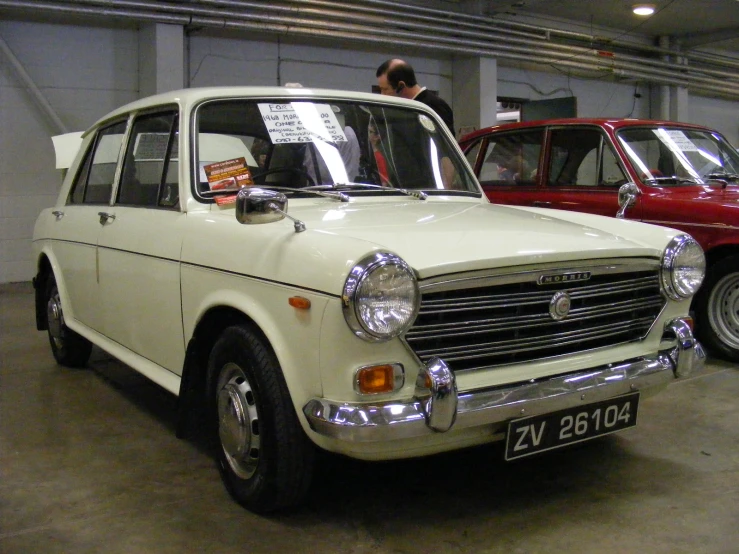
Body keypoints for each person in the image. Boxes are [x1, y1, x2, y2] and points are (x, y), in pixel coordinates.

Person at [375, 59, 454, 134]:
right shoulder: (405, 108)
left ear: (401, 86)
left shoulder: (433, 107)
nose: (382, 95)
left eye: (385, 89)